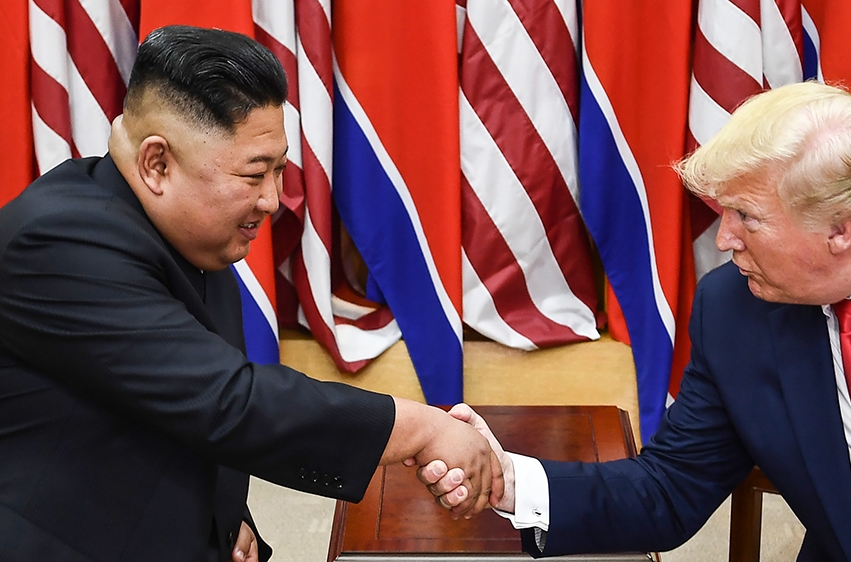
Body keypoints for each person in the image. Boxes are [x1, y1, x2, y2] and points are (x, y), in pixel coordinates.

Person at [422, 82, 851, 561]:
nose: (724, 241)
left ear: (841, 229)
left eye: (747, 216)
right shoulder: (736, 311)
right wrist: (509, 479)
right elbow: (669, 489)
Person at [0, 25, 501, 562]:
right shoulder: (57, 242)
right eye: (254, 175)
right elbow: (225, 401)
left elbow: (166, 404)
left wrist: (227, 520)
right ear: (157, 164)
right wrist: (420, 428)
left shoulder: (192, 229)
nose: (272, 200)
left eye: (279, 170)